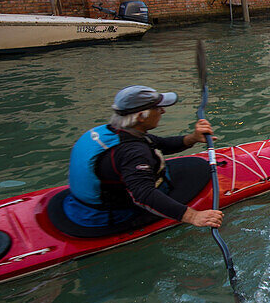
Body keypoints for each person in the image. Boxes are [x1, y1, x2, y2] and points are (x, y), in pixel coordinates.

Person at [63, 85, 224, 230]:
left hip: (86, 202)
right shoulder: (133, 153)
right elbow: (144, 195)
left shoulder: (111, 131)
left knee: (192, 166)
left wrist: (193, 138)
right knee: (197, 171)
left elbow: (157, 143)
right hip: (110, 214)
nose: (163, 111)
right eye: (157, 108)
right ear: (141, 116)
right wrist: (193, 216)